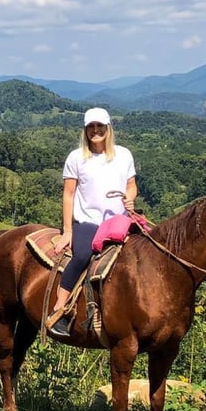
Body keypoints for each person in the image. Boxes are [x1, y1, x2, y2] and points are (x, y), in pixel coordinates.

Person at [49, 107, 137, 337]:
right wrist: (68, 231)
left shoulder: (124, 155)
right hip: (88, 222)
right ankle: (60, 309)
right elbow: (68, 194)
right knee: (81, 256)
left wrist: (130, 199)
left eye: (100, 126)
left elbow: (131, 185)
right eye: (91, 127)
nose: (95, 131)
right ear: (85, 130)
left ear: (108, 129)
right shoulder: (76, 158)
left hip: (119, 220)